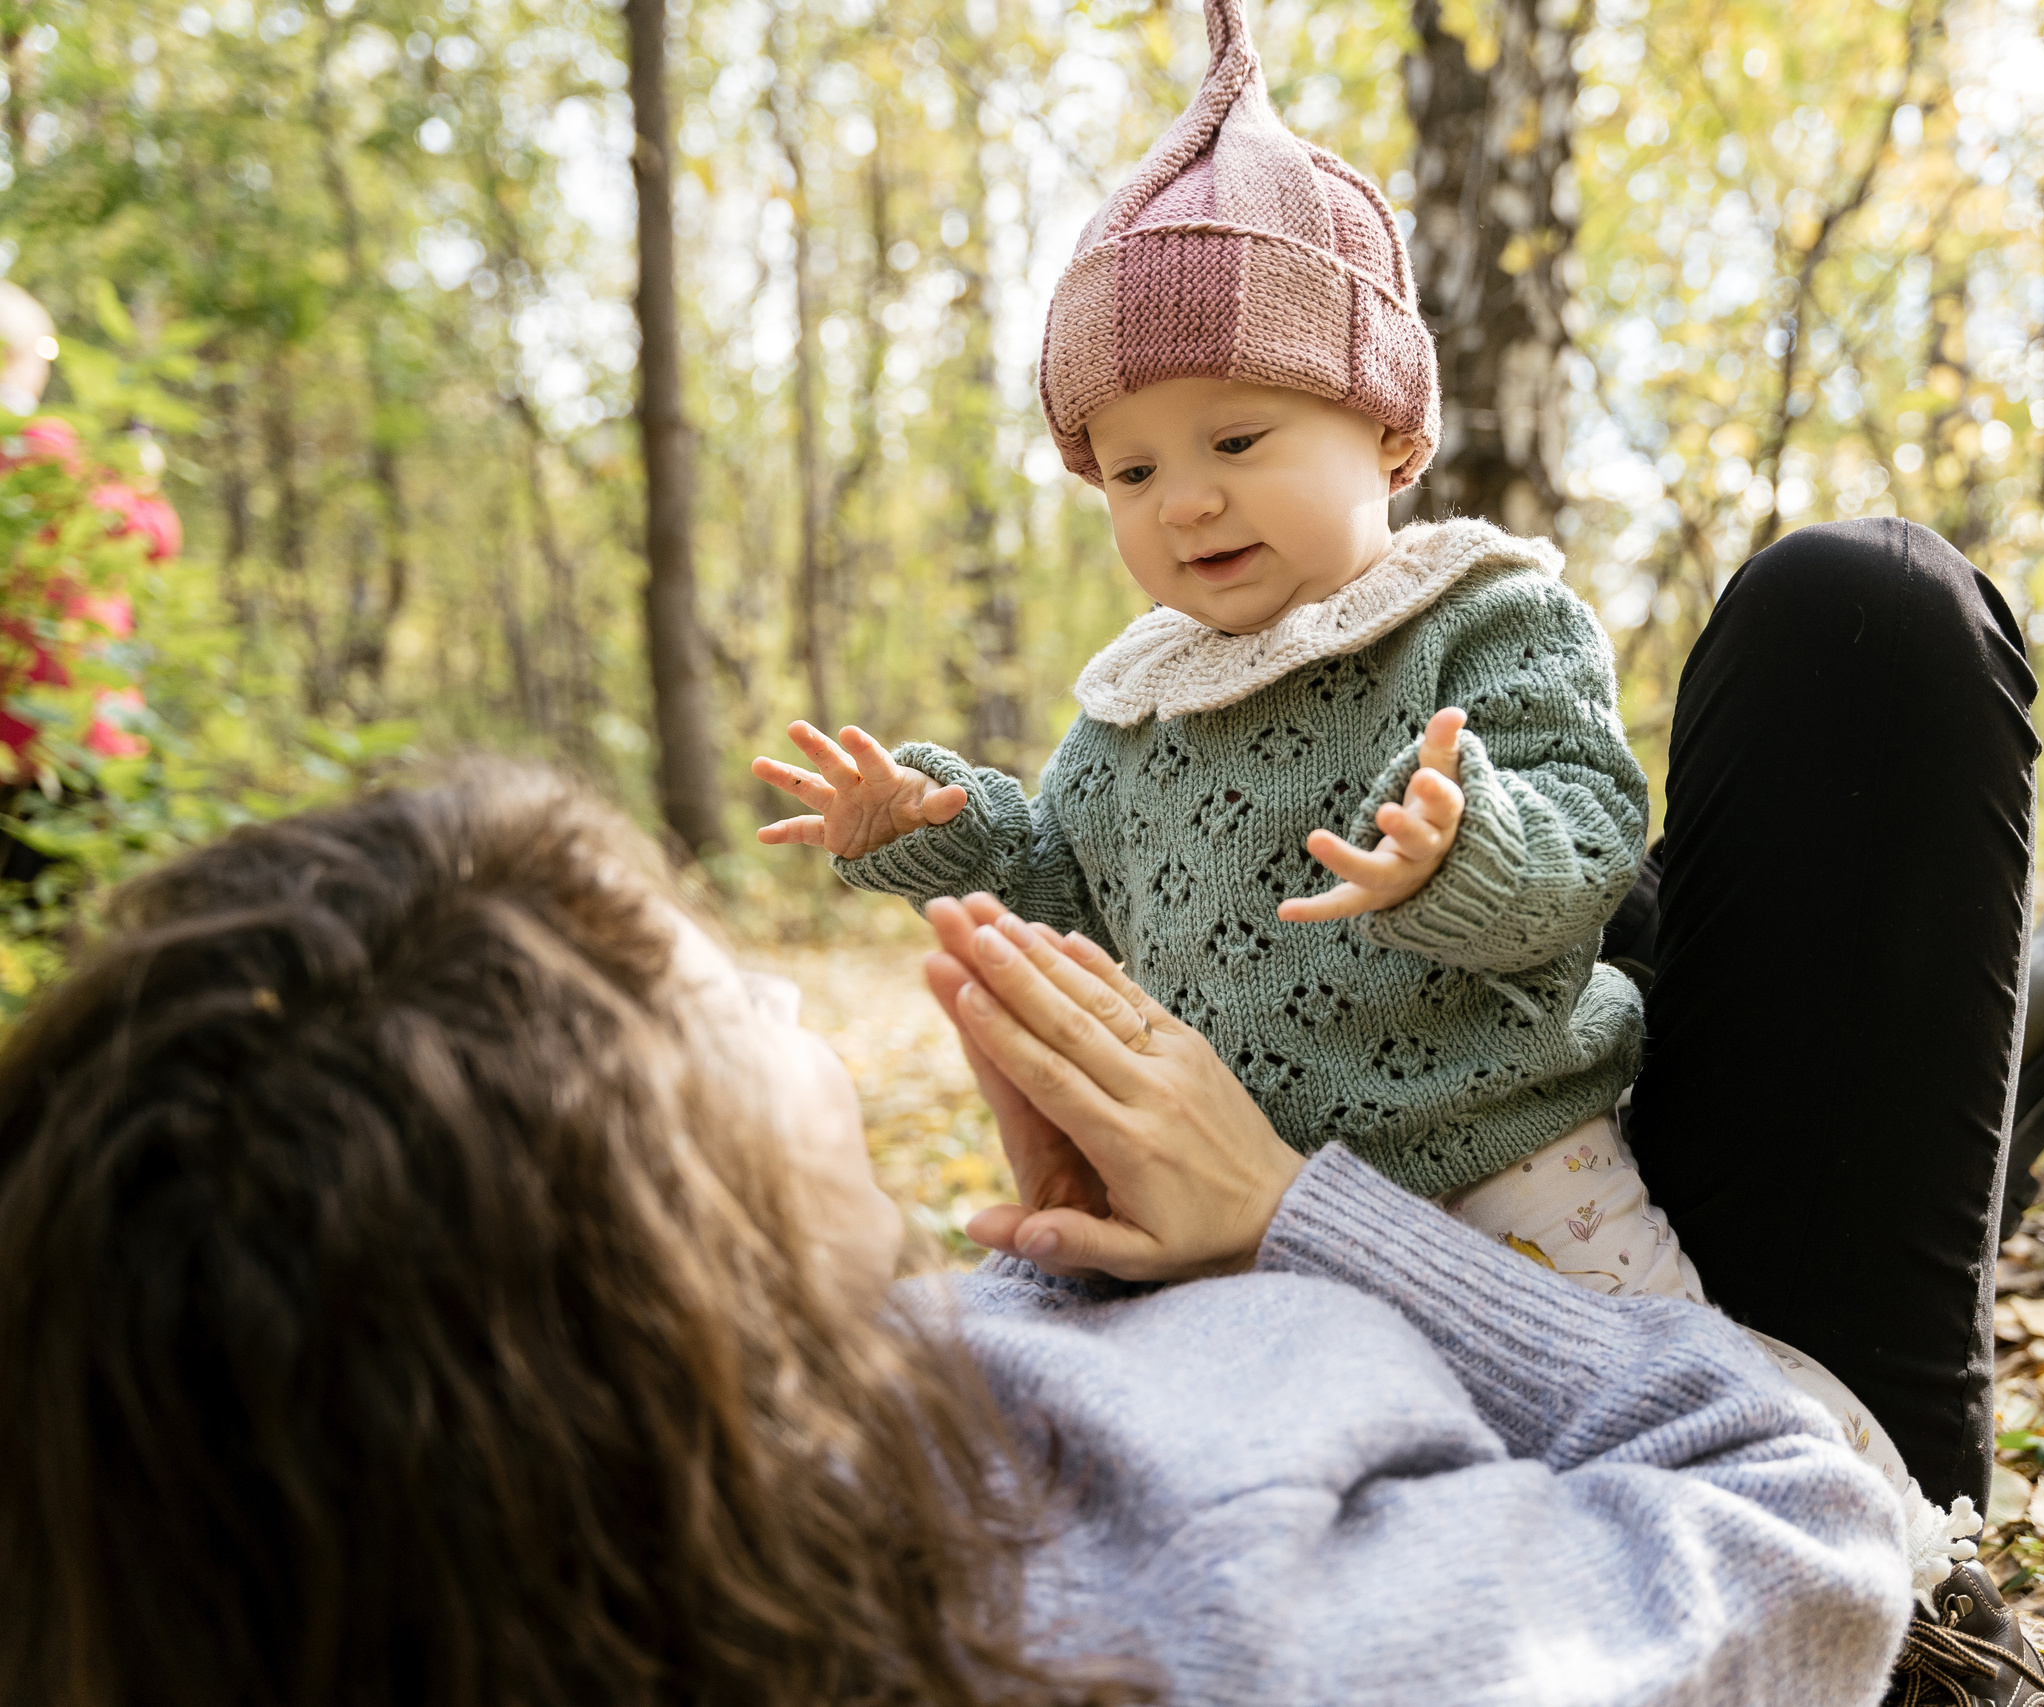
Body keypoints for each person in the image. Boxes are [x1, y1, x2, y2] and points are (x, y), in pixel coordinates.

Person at [0, 761, 1914, 1706]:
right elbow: (1809, 1518)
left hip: (1313, 1223)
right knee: (1861, 631)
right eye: (725, 1000)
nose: (774, 1003)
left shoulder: (630, 1519)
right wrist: (1290, 1220)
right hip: (1678, 1365)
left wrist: (1050, 1263)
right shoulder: (1244, 1650)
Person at [750, 0, 1699, 1310]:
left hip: (1502, 1160)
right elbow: (1070, 899)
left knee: (1635, 1396)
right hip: (1232, 1213)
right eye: (1131, 469)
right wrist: (950, 840)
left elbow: (1595, 841)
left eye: (1235, 443)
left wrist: (1465, 847)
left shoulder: (1477, 617)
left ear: (1386, 433)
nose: (1182, 499)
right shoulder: (1141, 705)